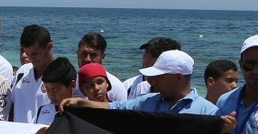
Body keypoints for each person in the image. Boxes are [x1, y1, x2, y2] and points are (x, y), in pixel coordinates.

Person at [61, 50, 218, 116]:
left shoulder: (209, 112)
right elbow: (113, 107)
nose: (152, 81)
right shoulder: (147, 102)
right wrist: (81, 102)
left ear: (178, 77)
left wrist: (223, 133)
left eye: (159, 77)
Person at [10, 25, 55, 123]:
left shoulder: (61, 75)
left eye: (35, 54)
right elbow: (12, 105)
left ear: (49, 47)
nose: (30, 58)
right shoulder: (22, 71)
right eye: (27, 53)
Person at [72, 32, 126, 101]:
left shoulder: (116, 88)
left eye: (93, 55)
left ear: (103, 56)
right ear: (77, 53)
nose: (87, 59)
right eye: (84, 53)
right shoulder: (71, 84)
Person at [34, 58, 76, 125]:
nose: (51, 94)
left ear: (72, 85)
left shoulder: (81, 113)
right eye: (47, 89)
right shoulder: (43, 110)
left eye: (55, 90)